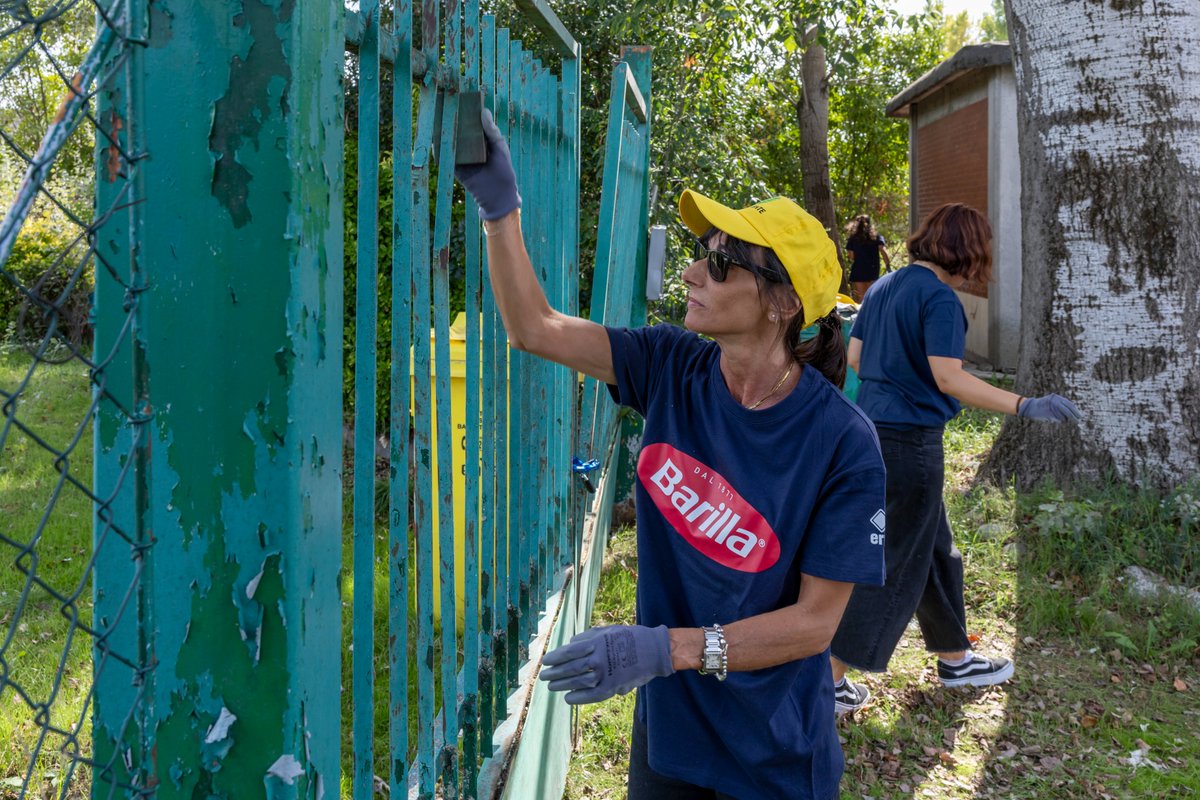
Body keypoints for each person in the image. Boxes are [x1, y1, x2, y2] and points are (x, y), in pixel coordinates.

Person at [456, 110, 887, 799]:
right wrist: (499, 211)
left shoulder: (843, 443)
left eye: (718, 263)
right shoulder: (671, 364)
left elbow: (815, 625)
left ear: (781, 302)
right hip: (672, 738)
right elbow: (534, 328)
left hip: (774, 753)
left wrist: (670, 649)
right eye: (699, 253)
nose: (690, 273)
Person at [829, 203, 1082, 715]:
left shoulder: (882, 287)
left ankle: (956, 658)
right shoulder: (940, 299)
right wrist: (1023, 404)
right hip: (912, 444)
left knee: (934, 549)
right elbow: (949, 378)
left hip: (872, 436)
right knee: (895, 563)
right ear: (966, 251)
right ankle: (826, 682)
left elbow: (855, 358)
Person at [844, 214, 891, 302]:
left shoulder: (852, 239)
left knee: (861, 298)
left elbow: (851, 256)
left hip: (858, 270)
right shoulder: (877, 237)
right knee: (872, 298)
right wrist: (888, 266)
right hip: (872, 270)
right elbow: (883, 250)